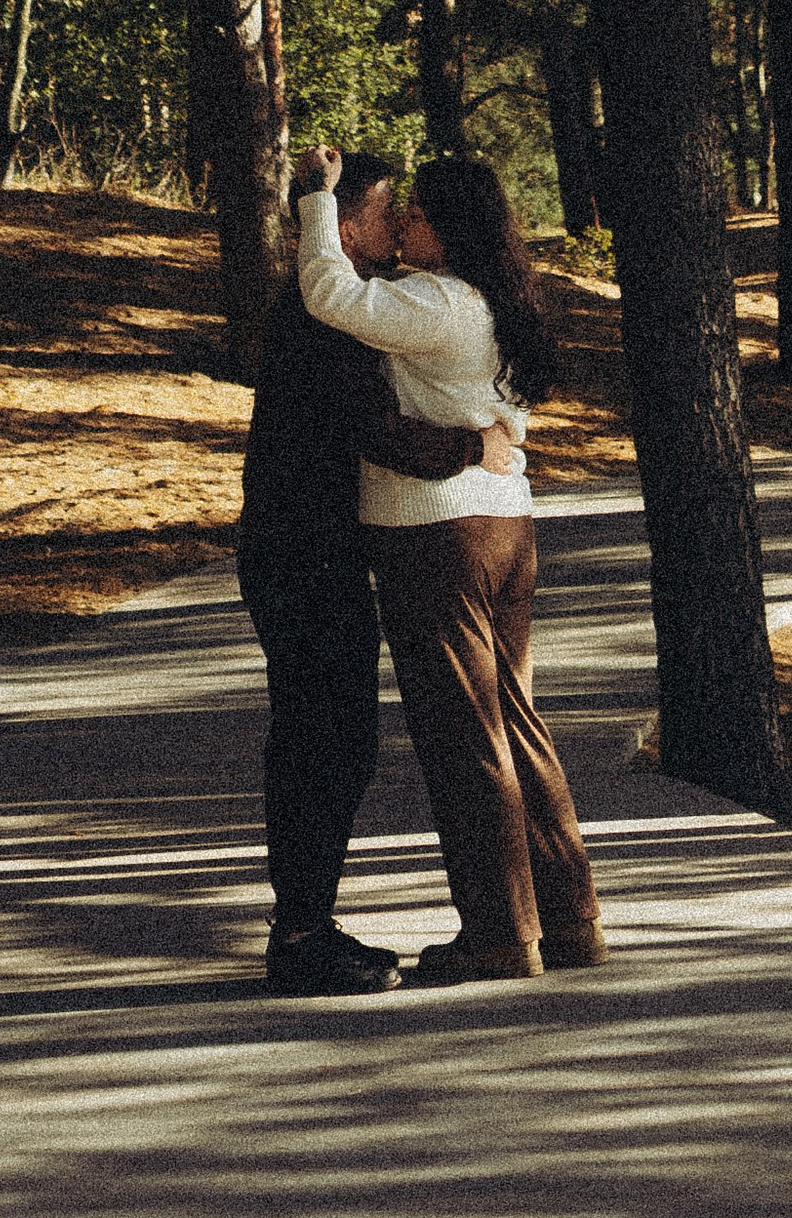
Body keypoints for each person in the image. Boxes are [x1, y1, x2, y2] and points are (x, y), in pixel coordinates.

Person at [295, 141, 603, 985]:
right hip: (506, 527)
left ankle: (499, 935)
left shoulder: (436, 303)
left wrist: (318, 199)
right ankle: (569, 918)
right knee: (518, 723)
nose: (403, 224)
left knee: (464, 736)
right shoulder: (495, 302)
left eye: (418, 214)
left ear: (453, 228)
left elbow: (328, 292)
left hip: (436, 534)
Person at [238, 142, 516, 996]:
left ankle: (307, 925)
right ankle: (300, 936)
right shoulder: (323, 312)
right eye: (387, 212)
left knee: (336, 740)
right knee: (322, 741)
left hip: (317, 549)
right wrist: (473, 445)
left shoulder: (355, 303)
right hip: (300, 552)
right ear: (347, 229)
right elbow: (376, 430)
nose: (400, 226)